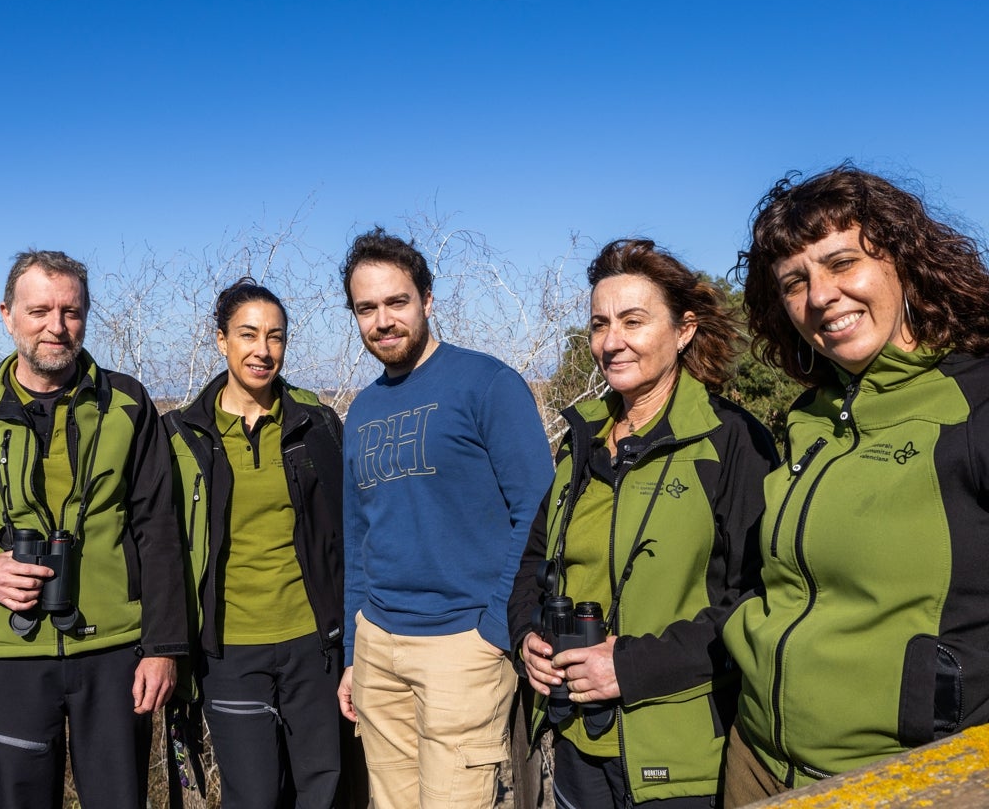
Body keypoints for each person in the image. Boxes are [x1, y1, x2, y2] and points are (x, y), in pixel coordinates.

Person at [723, 165, 989, 804]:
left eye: (842, 262)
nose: (820, 296)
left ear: (903, 259)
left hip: (901, 777)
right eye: (795, 281)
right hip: (752, 759)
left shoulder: (974, 402)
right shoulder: (807, 418)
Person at [0, 251, 188, 809]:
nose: (56, 326)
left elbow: (160, 527)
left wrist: (163, 648)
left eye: (71, 311)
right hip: (8, 648)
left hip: (116, 650)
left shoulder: (126, 402)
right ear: (7, 315)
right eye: (40, 311)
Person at [508, 239, 778, 808]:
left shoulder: (732, 442)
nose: (612, 342)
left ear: (684, 330)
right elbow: (535, 562)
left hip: (682, 750)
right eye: (600, 324)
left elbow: (757, 599)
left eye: (634, 320)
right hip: (578, 741)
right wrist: (526, 636)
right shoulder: (578, 442)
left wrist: (628, 667)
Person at [335, 227, 553, 808]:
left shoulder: (488, 384)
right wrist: (356, 652)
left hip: (462, 645)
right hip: (379, 645)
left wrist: (492, 631)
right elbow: (359, 537)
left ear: (428, 300)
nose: (383, 320)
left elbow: (537, 513)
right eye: (367, 308)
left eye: (396, 302)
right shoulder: (361, 411)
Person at [163, 277, 346, 808]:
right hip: (230, 650)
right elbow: (158, 545)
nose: (263, 351)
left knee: (321, 788)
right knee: (253, 794)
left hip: (314, 642)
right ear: (221, 340)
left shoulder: (317, 425)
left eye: (276, 337)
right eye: (248, 334)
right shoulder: (181, 436)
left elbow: (345, 531)